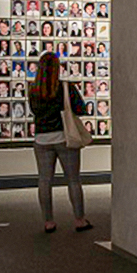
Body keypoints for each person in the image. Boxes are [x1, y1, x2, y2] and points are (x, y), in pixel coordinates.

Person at [27, 52, 91, 234]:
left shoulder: (34, 90)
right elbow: (81, 108)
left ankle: (48, 222)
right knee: (73, 180)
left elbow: (34, 111)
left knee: (44, 181)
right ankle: (79, 219)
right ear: (57, 68)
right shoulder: (65, 88)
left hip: (41, 139)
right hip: (64, 138)